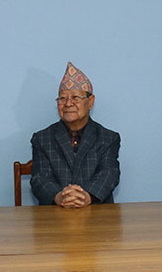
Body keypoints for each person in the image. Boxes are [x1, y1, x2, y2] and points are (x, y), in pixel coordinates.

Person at [30, 61, 120, 207]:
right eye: (62, 98)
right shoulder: (42, 139)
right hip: (54, 214)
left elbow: (109, 173)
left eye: (75, 97)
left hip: (97, 213)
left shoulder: (108, 138)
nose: (68, 104)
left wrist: (86, 197)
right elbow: (40, 178)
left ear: (90, 102)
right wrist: (59, 197)